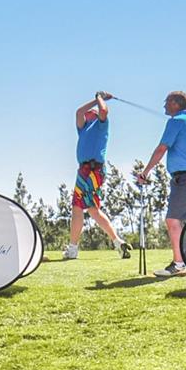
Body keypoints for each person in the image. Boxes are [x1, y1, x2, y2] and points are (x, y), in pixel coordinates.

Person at [134, 91, 186, 277]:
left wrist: (145, 172)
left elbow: (162, 148)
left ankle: (179, 264)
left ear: (175, 103)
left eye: (167, 102)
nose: (164, 105)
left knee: (173, 220)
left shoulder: (175, 122)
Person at [68, 93, 131, 261]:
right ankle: (118, 242)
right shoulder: (83, 128)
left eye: (92, 111)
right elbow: (79, 112)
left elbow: (103, 110)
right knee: (92, 210)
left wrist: (100, 98)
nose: (89, 112)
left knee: (77, 207)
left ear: (96, 116)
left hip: (92, 170)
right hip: (86, 170)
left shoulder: (101, 125)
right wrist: (96, 99)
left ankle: (72, 249)